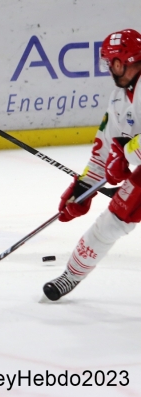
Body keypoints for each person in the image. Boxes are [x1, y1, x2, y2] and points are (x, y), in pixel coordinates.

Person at [44, 29, 141, 300]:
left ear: (121, 62)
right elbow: (105, 145)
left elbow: (125, 151)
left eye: (110, 62)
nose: (108, 68)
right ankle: (71, 275)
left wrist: (126, 154)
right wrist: (84, 187)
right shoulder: (119, 98)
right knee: (114, 217)